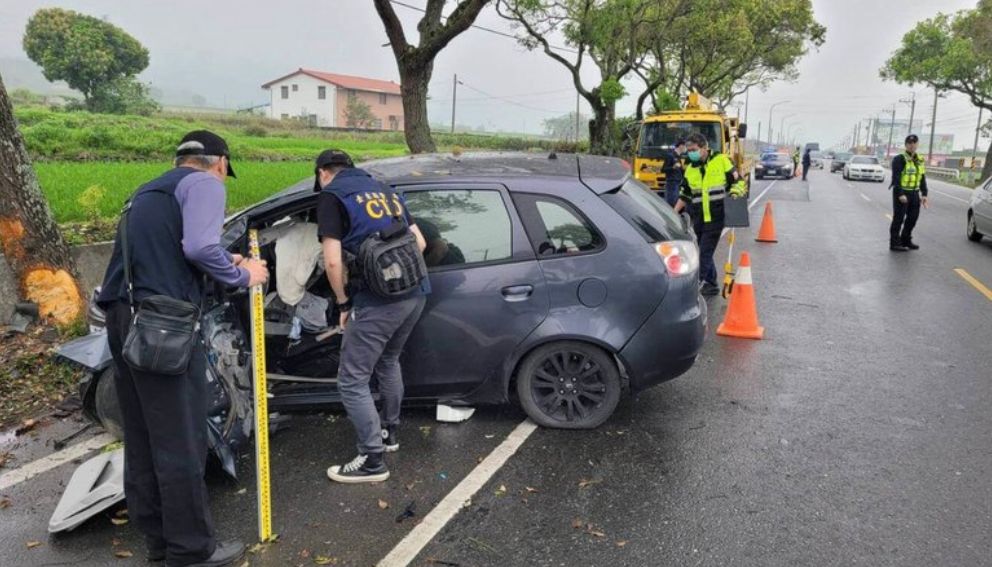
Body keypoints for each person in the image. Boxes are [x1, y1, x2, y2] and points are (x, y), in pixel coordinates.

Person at [97, 131, 268, 567]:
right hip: (165, 324)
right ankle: (191, 551)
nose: (223, 182)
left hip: (123, 319)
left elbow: (170, 251)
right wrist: (244, 276)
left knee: (142, 436)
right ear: (219, 163)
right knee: (180, 438)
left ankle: (159, 544)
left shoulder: (149, 193)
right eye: (226, 174)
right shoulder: (206, 184)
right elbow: (197, 246)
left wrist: (228, 261)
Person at [314, 149, 429, 483]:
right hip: (416, 293)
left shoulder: (332, 197)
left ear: (323, 173)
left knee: (351, 379)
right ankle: (388, 435)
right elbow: (419, 243)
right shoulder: (385, 190)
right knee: (388, 362)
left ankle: (371, 460)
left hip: (378, 301)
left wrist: (344, 303)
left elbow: (333, 262)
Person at [674, 133, 747, 296]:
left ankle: (695, 285)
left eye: (694, 150)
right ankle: (712, 283)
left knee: (704, 252)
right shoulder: (690, 168)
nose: (690, 153)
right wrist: (673, 213)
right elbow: (684, 194)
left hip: (716, 216)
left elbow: (738, 181)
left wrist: (735, 193)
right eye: (688, 150)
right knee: (701, 249)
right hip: (698, 217)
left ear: (704, 148)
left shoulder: (721, 161)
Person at [889, 134, 930, 251]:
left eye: (914, 143)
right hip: (902, 193)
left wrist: (925, 194)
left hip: (914, 194)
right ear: (906, 145)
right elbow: (896, 178)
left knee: (913, 218)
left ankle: (906, 240)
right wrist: (900, 194)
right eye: (909, 143)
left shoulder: (919, 160)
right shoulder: (899, 159)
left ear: (917, 144)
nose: (912, 145)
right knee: (899, 219)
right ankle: (895, 243)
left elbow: (922, 178)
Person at [661, 139, 686, 206]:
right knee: (671, 203)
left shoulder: (678, 157)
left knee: (676, 203)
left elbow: (680, 171)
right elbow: (663, 170)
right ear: (681, 146)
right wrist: (673, 167)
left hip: (678, 183)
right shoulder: (670, 156)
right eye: (685, 146)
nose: (686, 148)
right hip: (671, 184)